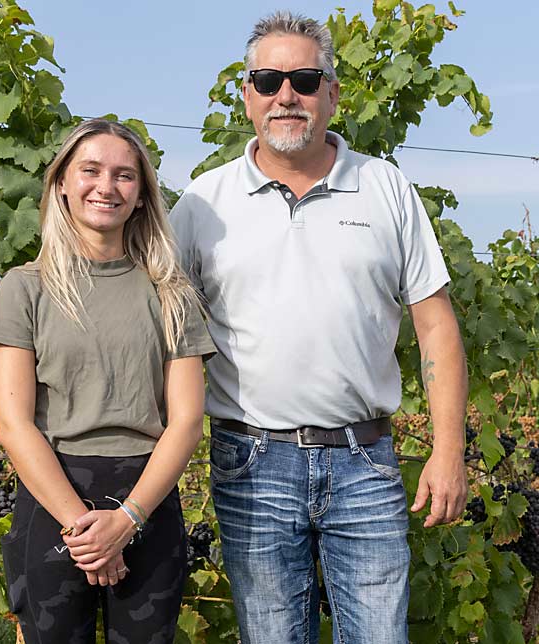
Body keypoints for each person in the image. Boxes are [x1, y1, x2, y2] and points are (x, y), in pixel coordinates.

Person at [165, 12, 469, 644]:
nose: (287, 95)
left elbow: (436, 326)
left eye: (304, 78)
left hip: (367, 462)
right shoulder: (202, 204)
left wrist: (448, 450)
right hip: (251, 464)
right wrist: (32, 294)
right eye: (269, 79)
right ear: (246, 95)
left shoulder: (384, 187)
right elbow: (145, 309)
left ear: (331, 93)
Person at [0, 118, 216, 643]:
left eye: (124, 176)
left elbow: (185, 421)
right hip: (53, 500)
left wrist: (127, 520)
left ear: (141, 195)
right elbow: (13, 425)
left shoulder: (171, 294)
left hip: (147, 500)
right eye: (90, 170)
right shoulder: (24, 290)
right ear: (62, 183)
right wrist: (84, 531)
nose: (106, 187)